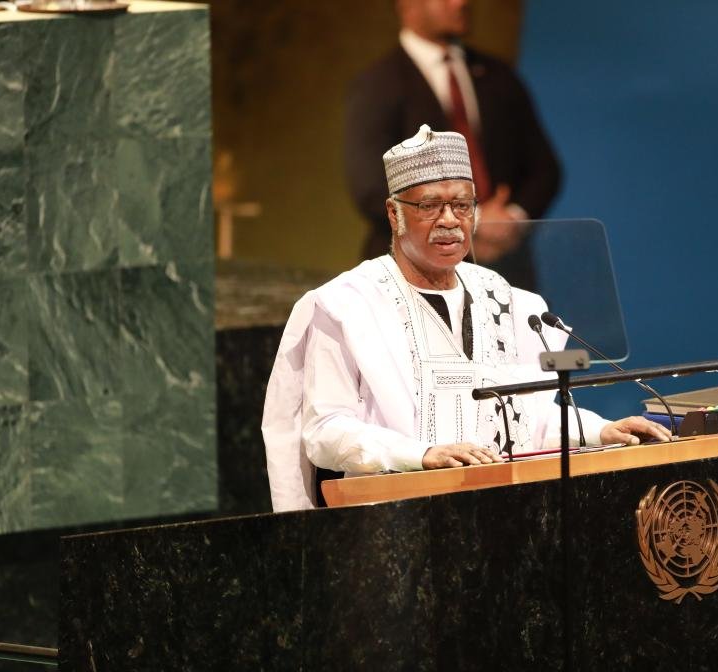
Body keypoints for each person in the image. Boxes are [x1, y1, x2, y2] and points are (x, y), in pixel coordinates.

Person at [263, 126, 668, 512]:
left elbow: (526, 422)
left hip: (504, 510)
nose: (449, 220)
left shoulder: (507, 301)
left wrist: (599, 430)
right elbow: (325, 429)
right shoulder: (347, 305)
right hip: (392, 519)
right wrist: (422, 455)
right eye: (429, 206)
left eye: (462, 205)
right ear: (393, 213)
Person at [344, 0, 560, 281]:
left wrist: (512, 218)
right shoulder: (377, 84)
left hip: (503, 270)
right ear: (407, 5)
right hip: (412, 275)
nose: (461, 3)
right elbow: (371, 187)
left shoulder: (499, 76)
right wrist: (472, 219)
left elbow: (545, 168)